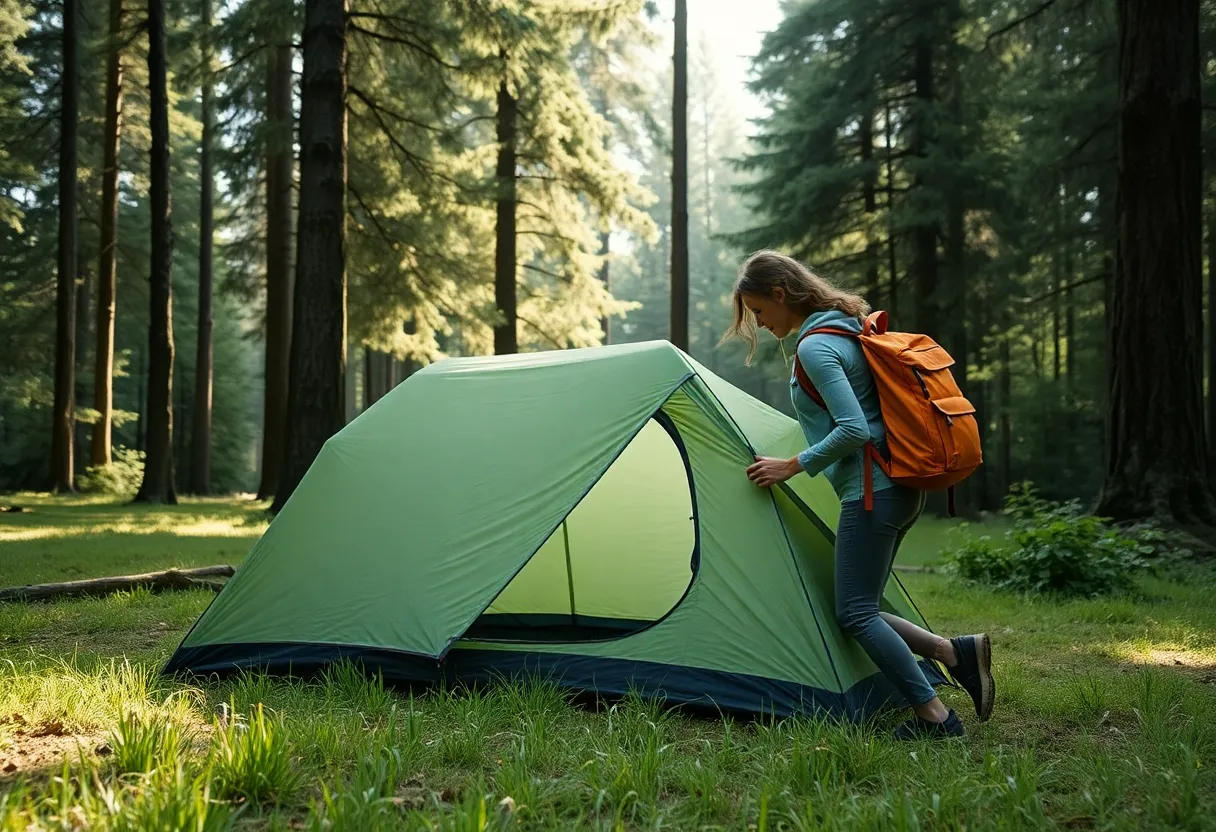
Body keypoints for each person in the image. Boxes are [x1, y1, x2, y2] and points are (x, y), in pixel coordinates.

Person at [721, 249, 994, 740]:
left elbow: (854, 429)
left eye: (759, 310)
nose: (759, 323)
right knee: (862, 604)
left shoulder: (815, 347)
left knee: (855, 612)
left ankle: (934, 716)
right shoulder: (849, 328)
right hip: (900, 488)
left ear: (780, 294)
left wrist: (791, 465)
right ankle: (953, 653)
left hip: (874, 491)